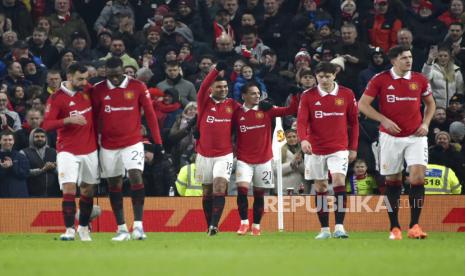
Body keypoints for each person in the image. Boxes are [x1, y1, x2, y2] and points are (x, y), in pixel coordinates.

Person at [358, 45, 436, 240]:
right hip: (390, 137)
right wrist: (383, 120)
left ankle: (415, 225)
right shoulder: (380, 79)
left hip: (416, 137)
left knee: (417, 178)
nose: (408, 60)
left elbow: (430, 104)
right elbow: (362, 105)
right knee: (393, 181)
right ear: (393, 60)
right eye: (404, 58)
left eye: (410, 57)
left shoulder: (419, 79)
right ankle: (394, 227)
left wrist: (426, 123)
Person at [91, 57, 163, 241]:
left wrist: (158, 141)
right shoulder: (98, 90)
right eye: (111, 75)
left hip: (132, 141)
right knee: (114, 184)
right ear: (105, 71)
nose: (114, 79)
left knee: (135, 175)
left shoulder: (137, 86)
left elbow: (150, 115)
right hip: (108, 145)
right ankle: (122, 229)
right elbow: (93, 119)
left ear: (123, 71)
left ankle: (138, 226)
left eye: (117, 75)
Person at [297, 62, 359, 239]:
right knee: (321, 186)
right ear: (316, 77)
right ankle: (324, 229)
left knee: (339, 181)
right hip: (316, 149)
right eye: (321, 76)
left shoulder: (347, 94)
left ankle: (339, 227)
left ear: (334, 75)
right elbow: (301, 121)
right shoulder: (308, 96)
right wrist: (304, 140)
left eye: (328, 76)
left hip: (339, 147)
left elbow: (354, 123)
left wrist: (353, 147)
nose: (324, 79)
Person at [42, 63, 99, 241]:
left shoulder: (87, 90)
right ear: (69, 76)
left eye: (86, 78)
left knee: (88, 190)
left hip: (89, 149)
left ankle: (83, 228)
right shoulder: (57, 98)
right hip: (67, 150)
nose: (84, 82)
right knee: (69, 188)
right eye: (80, 79)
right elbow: (46, 125)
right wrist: (68, 119)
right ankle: (69, 230)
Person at [234, 82, 299, 236]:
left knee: (259, 194)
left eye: (258, 93)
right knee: (242, 190)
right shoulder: (237, 112)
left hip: (264, 160)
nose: (257, 96)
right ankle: (244, 223)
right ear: (244, 96)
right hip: (244, 159)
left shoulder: (267, 110)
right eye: (253, 93)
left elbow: (291, 110)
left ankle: (256, 226)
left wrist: (294, 96)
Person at [195, 61, 239, 236]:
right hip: (203, 154)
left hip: (224, 155)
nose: (223, 89)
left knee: (219, 187)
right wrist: (216, 70)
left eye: (225, 87)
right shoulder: (203, 102)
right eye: (219, 87)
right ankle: (209, 225)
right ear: (211, 89)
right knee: (206, 191)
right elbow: (203, 85)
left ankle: (214, 226)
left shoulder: (233, 106)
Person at [20, 128, 59, 197]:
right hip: (32, 194)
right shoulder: (24, 152)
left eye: (42, 136)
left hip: (53, 194)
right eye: (37, 137)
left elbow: (61, 172)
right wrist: (42, 170)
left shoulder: (54, 152)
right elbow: (24, 173)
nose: (40, 138)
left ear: (46, 138)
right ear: (32, 138)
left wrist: (53, 168)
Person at [0, 130, 29, 197]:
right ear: (0, 141)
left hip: (19, 195)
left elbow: (26, 174)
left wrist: (12, 166)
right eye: (5, 140)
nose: (7, 142)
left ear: (13, 141)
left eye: (10, 140)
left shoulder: (21, 156)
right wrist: (2, 168)